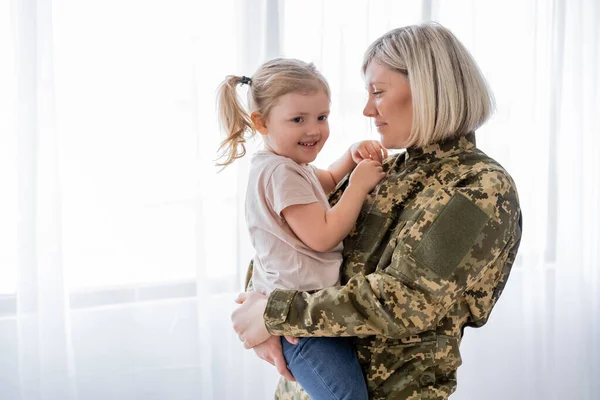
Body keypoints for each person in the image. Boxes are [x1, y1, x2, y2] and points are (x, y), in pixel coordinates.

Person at [231, 22, 523, 400]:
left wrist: (272, 315)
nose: (368, 109)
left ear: (428, 90)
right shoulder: (384, 170)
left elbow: (402, 301)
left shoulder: (478, 187)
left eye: (378, 92)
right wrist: (260, 323)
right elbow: (285, 242)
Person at [217, 58, 389, 399]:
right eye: (298, 119)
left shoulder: (286, 166)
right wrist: (357, 186)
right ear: (261, 123)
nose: (314, 130)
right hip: (302, 327)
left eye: (322, 117)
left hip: (304, 314)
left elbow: (321, 183)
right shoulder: (282, 173)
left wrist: (348, 159)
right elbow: (322, 236)